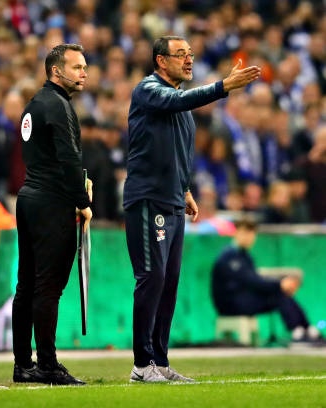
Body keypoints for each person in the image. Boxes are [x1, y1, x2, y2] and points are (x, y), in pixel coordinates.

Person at [123, 35, 261, 383]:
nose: (188, 60)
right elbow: (176, 101)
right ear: (160, 60)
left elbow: (181, 151)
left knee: (169, 282)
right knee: (152, 278)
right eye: (180, 54)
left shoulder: (182, 109)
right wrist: (222, 86)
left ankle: (160, 362)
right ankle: (141, 364)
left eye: (191, 54)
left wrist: (185, 189)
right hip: (148, 198)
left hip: (172, 199)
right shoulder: (148, 90)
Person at [12, 43, 92, 386]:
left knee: (26, 285)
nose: (84, 72)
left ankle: (23, 364)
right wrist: (82, 200)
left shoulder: (34, 104)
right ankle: (47, 364)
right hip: (51, 203)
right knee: (48, 287)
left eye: (84, 66)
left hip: (29, 198)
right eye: (77, 67)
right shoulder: (59, 106)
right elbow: (68, 157)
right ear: (56, 71)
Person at [211, 217, 324, 346]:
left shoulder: (245, 255)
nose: (249, 237)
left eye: (252, 233)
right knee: (279, 294)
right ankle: (298, 332)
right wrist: (280, 285)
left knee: (281, 293)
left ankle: (307, 329)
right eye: (245, 232)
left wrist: (279, 285)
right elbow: (252, 281)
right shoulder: (229, 255)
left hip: (242, 299)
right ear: (237, 233)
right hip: (230, 304)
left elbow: (255, 280)